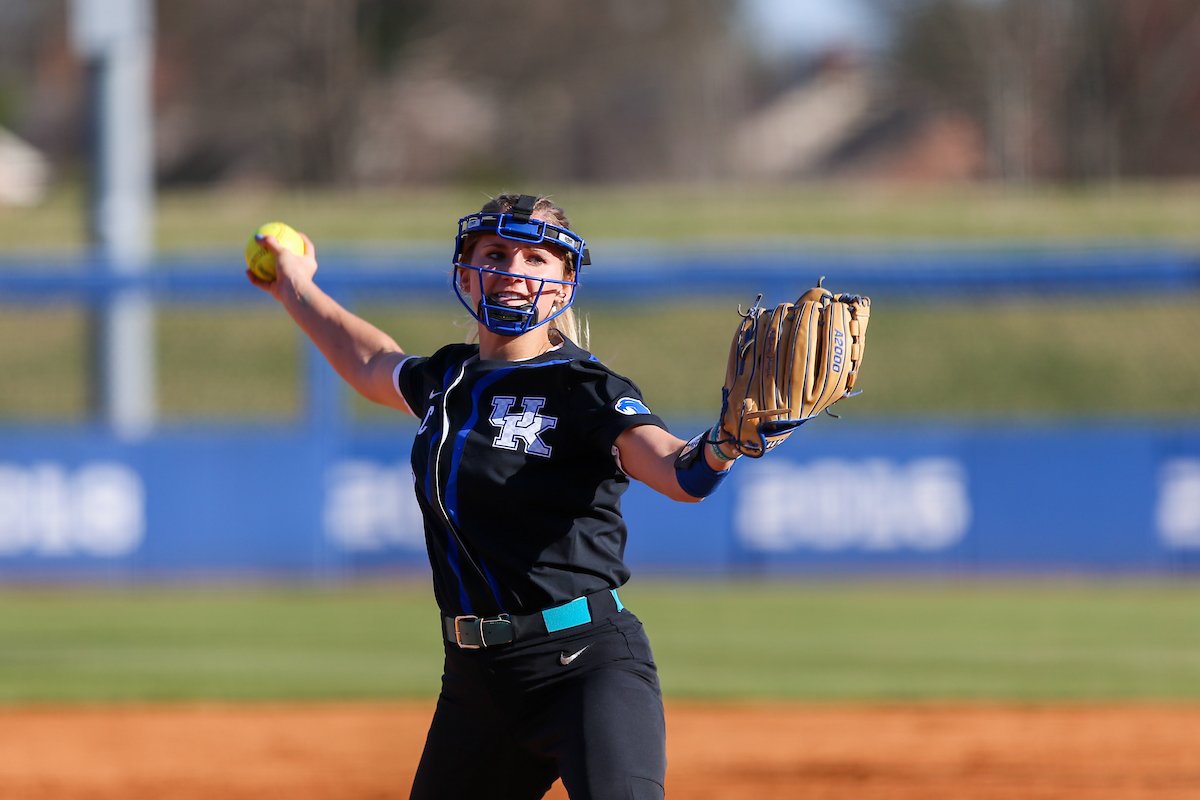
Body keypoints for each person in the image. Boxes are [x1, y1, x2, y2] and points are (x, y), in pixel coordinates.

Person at [248, 193, 742, 800]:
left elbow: (675, 471)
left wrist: (723, 445)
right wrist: (293, 285)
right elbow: (369, 359)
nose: (513, 270)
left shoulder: (583, 388)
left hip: (584, 666)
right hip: (476, 683)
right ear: (464, 274)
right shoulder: (448, 380)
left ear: (564, 286)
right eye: (495, 254)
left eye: (536, 258)